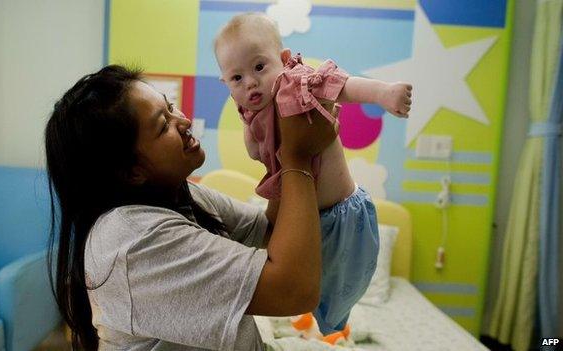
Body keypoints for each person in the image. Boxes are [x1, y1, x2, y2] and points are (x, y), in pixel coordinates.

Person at [45, 65, 339, 350]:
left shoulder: (182, 194)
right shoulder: (132, 240)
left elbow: (269, 230)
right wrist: (297, 157)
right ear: (132, 171)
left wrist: (278, 150)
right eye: (163, 127)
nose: (183, 122)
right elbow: (295, 290)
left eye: (171, 107)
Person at [213, 13, 413, 335]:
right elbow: (256, 152)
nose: (250, 82)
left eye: (259, 67)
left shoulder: (296, 85)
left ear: (284, 59)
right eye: (236, 78)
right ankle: (314, 327)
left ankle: (340, 328)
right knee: (306, 288)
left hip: (343, 214)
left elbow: (340, 86)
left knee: (344, 286)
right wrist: (253, 132)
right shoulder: (250, 110)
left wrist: (382, 94)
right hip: (304, 222)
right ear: (226, 82)